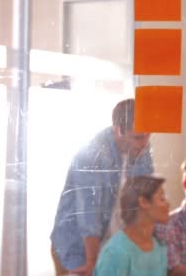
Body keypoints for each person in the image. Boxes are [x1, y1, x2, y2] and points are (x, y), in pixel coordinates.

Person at [50, 99, 153, 275]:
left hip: (112, 244)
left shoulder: (141, 149)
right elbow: (88, 215)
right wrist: (92, 262)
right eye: (138, 137)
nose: (144, 143)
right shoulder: (92, 154)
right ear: (118, 130)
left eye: (148, 135)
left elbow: (144, 198)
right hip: (77, 246)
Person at [93, 175, 169, 275]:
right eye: (162, 198)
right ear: (143, 202)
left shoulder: (159, 246)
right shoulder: (116, 252)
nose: (168, 204)